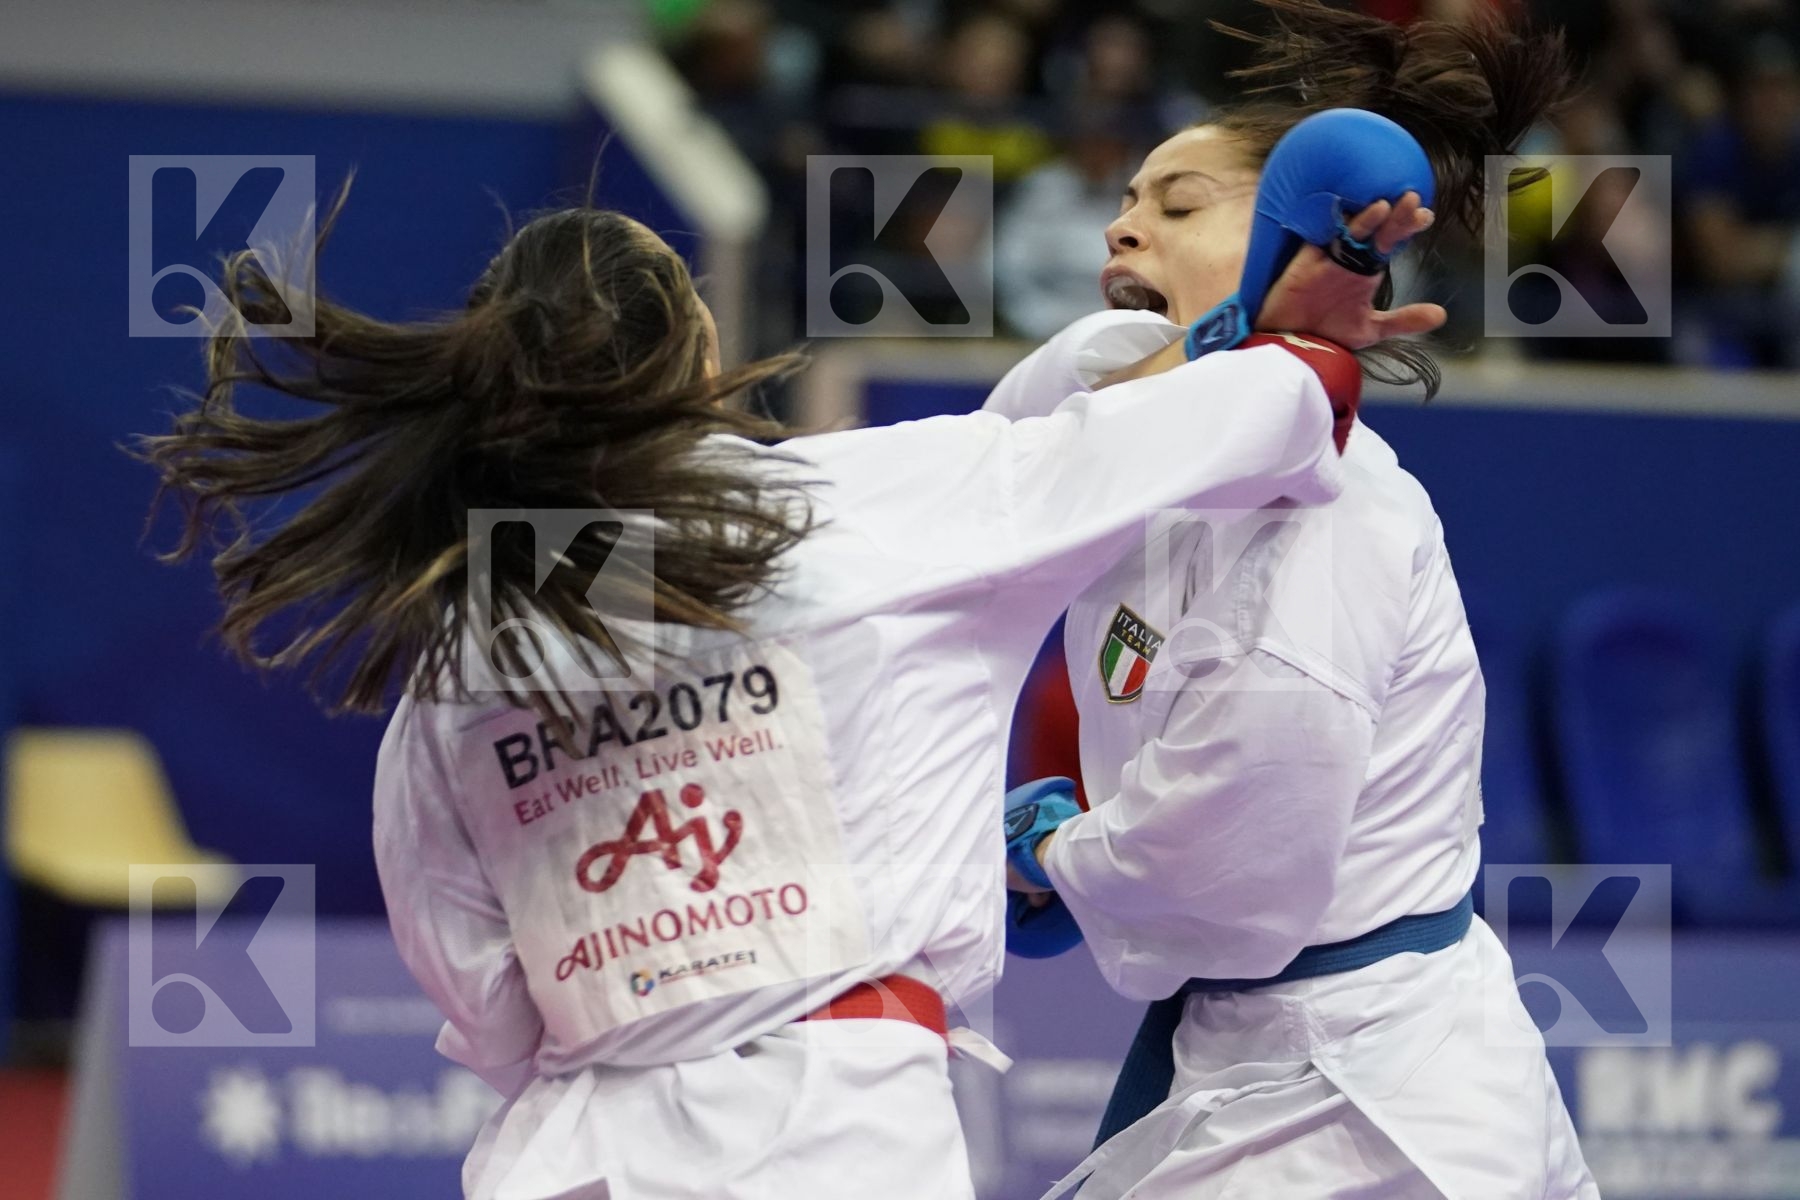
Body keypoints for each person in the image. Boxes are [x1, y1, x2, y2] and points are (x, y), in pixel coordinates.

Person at [137, 183, 1412, 1197]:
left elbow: (478, 987)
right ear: (699, 348)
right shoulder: (860, 509)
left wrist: (653, 987)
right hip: (829, 1135)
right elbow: (1278, 406)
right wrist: (1309, 317)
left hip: (564, 1152)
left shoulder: (469, 631)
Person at [988, 2, 1600, 1197]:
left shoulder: (1326, 522)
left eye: (1176, 205)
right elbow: (1011, 442)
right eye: (1124, 203)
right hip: (1261, 1055)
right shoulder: (1145, 454)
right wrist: (1227, 349)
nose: (1124, 223)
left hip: (1364, 1099)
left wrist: (1057, 850)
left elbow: (1233, 853)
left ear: (1297, 241)